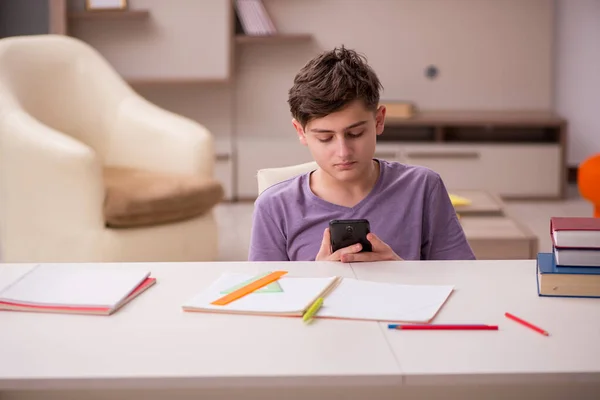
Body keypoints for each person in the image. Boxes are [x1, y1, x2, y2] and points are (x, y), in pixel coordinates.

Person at [248, 46, 475, 262]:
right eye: (325, 138)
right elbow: (264, 298)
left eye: (355, 133)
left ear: (379, 120)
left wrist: (403, 270)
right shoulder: (274, 207)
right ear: (301, 132)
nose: (343, 152)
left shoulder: (423, 187)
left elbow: (464, 281)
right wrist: (315, 277)